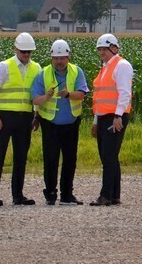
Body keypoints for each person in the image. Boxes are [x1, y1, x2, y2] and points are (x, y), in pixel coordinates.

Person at [0, 32, 42, 206]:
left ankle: (18, 195)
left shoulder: (36, 68)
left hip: (25, 118)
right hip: (5, 117)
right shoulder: (4, 66)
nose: (26, 55)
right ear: (16, 49)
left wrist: (36, 115)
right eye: (23, 51)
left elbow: (37, 94)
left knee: (21, 157)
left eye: (29, 52)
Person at [31, 39, 88, 206]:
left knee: (70, 159)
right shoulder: (43, 74)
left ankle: (67, 194)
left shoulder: (77, 71)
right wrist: (46, 97)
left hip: (71, 122)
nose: (59, 61)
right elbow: (35, 99)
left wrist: (68, 94)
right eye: (56, 58)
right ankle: (50, 193)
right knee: (50, 160)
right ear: (51, 58)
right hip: (50, 123)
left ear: (68, 57)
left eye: (62, 58)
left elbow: (82, 94)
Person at [90, 33, 133, 206]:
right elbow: (100, 97)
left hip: (114, 116)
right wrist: (95, 121)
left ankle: (106, 195)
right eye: (99, 49)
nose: (102, 52)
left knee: (108, 157)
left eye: (105, 49)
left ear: (114, 48)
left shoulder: (121, 65)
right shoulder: (105, 67)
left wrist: (118, 116)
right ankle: (114, 195)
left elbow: (124, 93)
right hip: (103, 117)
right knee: (109, 156)